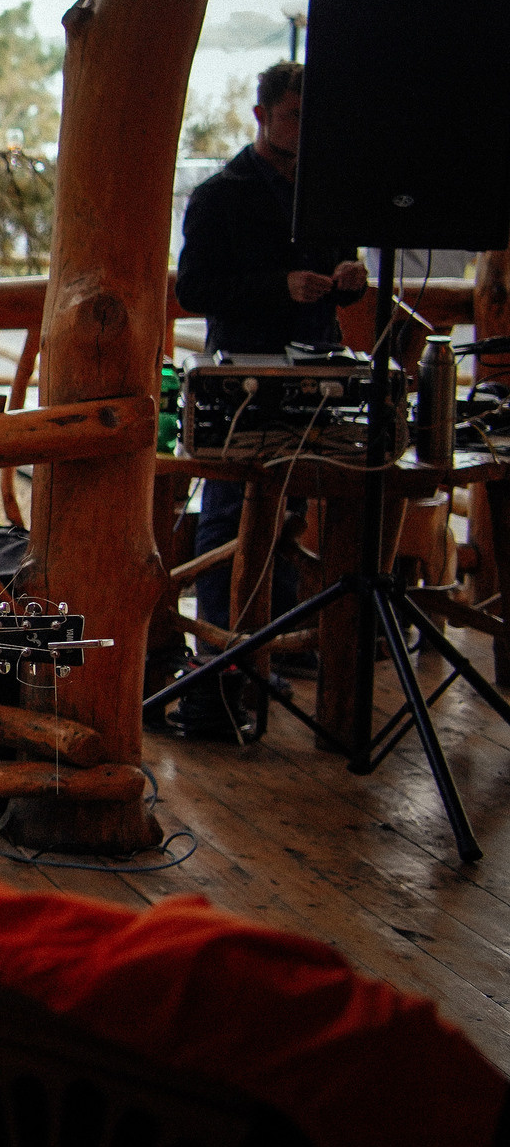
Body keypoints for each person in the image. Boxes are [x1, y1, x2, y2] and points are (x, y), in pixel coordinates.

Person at [173, 62, 366, 741]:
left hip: (315, 369)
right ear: (260, 116)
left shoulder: (326, 196)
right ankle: (222, 661)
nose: (304, 131)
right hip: (245, 375)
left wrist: (349, 279)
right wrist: (279, 286)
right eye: (292, 117)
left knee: (292, 515)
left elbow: (346, 277)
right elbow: (194, 289)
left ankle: (277, 647)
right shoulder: (220, 196)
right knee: (230, 514)